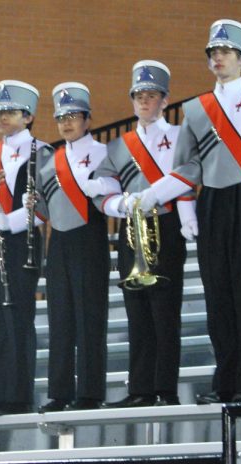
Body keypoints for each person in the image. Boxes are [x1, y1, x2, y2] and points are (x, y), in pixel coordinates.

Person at [134, 20, 241, 404]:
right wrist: (157, 194)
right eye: (213, 53)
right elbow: (188, 167)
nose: (218, 58)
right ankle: (225, 382)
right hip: (212, 204)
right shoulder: (197, 109)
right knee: (217, 295)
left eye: (225, 52)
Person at [86, 61, 188, 408]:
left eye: (152, 95)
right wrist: (122, 204)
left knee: (165, 311)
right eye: (139, 96)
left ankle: (166, 389)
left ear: (165, 100)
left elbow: (190, 173)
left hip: (166, 224)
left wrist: (154, 197)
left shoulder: (179, 137)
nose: (144, 101)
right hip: (132, 227)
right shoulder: (118, 146)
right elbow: (102, 191)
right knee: (137, 310)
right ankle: (141, 388)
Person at [0, 80, 52, 417]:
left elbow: (44, 205)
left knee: (18, 318)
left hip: (23, 241)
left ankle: (18, 398)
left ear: (28, 116)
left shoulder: (42, 151)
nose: (2, 117)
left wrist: (14, 221)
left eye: (10, 112)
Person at [35, 83, 110, 412]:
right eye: (61, 117)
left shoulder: (105, 153)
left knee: (90, 318)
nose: (66, 123)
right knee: (60, 319)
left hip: (89, 238)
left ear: (88, 120)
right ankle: (60, 392)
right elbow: (45, 210)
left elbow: (109, 198)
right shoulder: (50, 161)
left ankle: (90, 393)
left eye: (73, 116)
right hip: (59, 242)